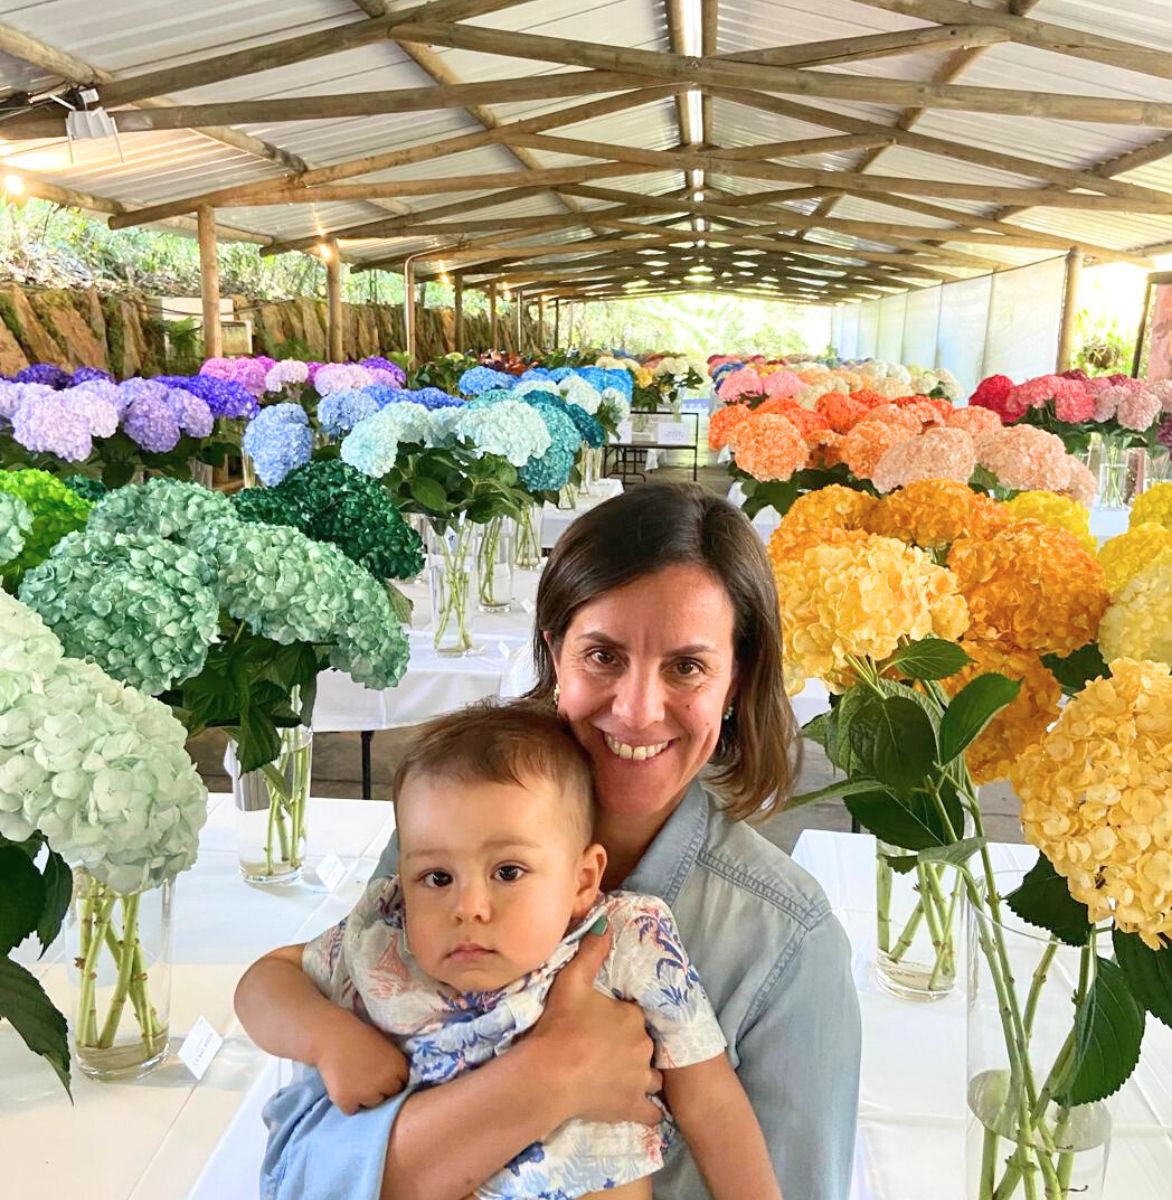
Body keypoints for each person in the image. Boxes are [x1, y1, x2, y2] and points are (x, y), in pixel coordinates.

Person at [249, 481, 861, 1200]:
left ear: (736, 683)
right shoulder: (447, 845)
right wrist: (551, 1077)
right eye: (603, 655)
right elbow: (305, 1165)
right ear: (555, 652)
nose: (637, 710)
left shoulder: (783, 942)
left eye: (687, 667)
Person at [236, 703, 782, 1200]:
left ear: (582, 879)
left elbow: (711, 1101)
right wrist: (331, 1039)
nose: (469, 906)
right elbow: (265, 982)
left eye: (508, 872)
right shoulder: (387, 939)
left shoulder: (626, 940)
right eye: (437, 876)